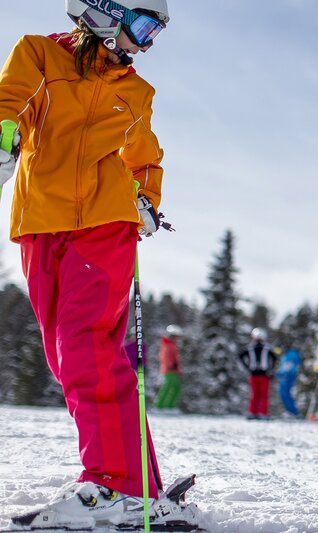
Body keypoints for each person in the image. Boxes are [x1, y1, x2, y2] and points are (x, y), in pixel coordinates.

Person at [1, 1, 198, 529]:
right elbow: (9, 102)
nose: (148, 42)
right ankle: (141, 484)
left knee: (86, 340)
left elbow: (144, 157)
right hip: (40, 222)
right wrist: (3, 137)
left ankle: (117, 484)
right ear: (102, 11)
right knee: (68, 356)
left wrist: (146, 198)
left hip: (106, 223)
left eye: (155, 30)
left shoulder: (136, 91)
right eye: (143, 25)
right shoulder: (39, 55)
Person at [238, 328, 279, 420]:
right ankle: (262, 413)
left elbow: (240, 356)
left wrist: (247, 367)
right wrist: (271, 370)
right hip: (263, 374)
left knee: (255, 394)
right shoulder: (267, 347)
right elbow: (275, 359)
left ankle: (253, 412)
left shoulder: (250, 347)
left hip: (254, 374)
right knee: (262, 395)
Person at [155, 324, 183, 411]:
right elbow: (165, 356)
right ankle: (159, 406)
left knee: (176, 388)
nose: (177, 338)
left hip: (174, 370)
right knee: (167, 387)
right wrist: (171, 365)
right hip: (169, 370)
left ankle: (170, 407)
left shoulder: (172, 344)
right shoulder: (167, 344)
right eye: (175, 336)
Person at [276, 347, 303, 418]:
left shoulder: (291, 354)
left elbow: (290, 366)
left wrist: (284, 373)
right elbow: (283, 367)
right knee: (284, 395)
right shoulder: (285, 356)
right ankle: (291, 411)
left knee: (285, 394)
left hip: (288, 377)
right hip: (285, 376)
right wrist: (279, 373)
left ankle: (293, 412)